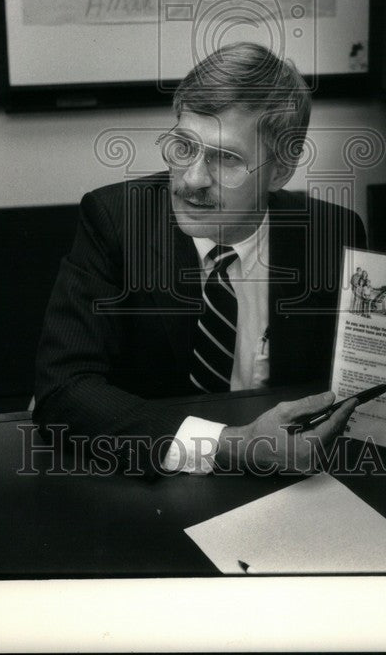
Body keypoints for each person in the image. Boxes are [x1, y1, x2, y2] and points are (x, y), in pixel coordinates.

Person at [33, 42, 367, 475]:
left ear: (281, 170)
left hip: (292, 482)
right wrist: (230, 446)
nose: (192, 179)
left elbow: (355, 389)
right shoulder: (115, 221)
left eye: (226, 158)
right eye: (184, 146)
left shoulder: (333, 233)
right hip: (156, 482)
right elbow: (61, 392)